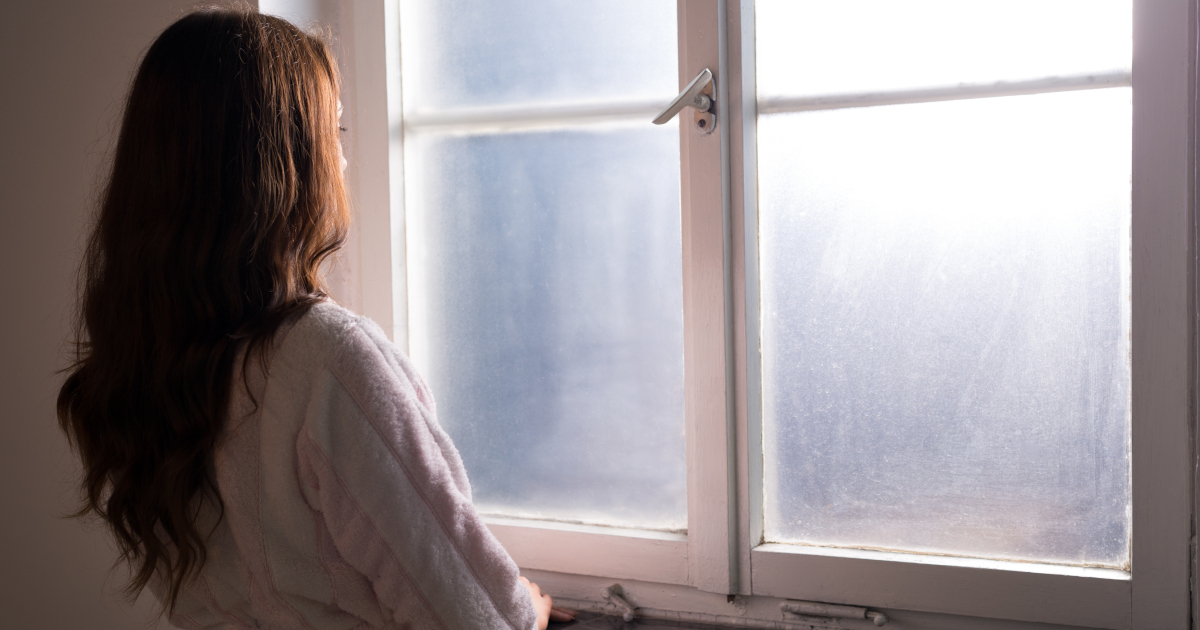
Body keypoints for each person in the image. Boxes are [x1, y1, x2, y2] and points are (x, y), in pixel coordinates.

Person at [56, 7, 573, 629]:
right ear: (283, 165)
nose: (344, 162)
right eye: (334, 133)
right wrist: (529, 609)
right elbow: (480, 618)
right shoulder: (327, 360)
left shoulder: (137, 367)